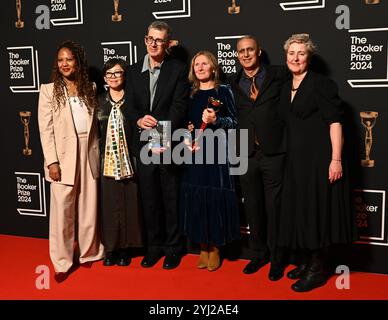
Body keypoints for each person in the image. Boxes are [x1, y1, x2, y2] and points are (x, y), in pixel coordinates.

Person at [277, 33, 355, 292]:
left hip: (319, 160)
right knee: (301, 211)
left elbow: (335, 122)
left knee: (317, 212)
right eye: (291, 53)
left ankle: (317, 269)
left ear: (309, 57)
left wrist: (336, 159)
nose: (295, 58)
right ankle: (306, 260)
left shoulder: (321, 84)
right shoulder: (285, 84)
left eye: (301, 53)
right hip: (295, 161)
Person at [38, 40, 104, 282]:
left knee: (89, 207)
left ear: (78, 62)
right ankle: (61, 261)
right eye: (60, 60)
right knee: (62, 212)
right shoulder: (48, 90)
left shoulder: (91, 87)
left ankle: (89, 252)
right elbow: (45, 130)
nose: (65, 63)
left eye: (69, 59)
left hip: (89, 151)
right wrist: (51, 161)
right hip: (63, 154)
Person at [126, 21, 189, 269]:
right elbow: (130, 106)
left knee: (170, 197)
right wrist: (140, 119)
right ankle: (154, 247)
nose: (153, 43)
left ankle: (173, 248)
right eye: (150, 38)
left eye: (159, 40)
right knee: (149, 198)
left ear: (167, 44)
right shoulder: (132, 71)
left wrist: (161, 133)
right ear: (145, 40)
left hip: (168, 143)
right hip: (143, 143)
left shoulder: (178, 69)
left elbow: (179, 107)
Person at [227, 36, 288, 280]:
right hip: (245, 152)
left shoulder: (279, 75)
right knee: (252, 207)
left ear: (259, 51)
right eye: (241, 51)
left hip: (273, 151)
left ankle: (277, 258)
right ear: (237, 55)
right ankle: (257, 254)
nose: (246, 54)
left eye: (250, 49)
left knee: (274, 208)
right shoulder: (231, 82)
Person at [180, 51, 240, 271]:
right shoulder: (191, 92)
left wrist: (216, 119)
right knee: (197, 197)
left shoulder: (223, 91)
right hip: (194, 152)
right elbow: (187, 122)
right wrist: (187, 138)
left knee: (213, 198)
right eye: (197, 64)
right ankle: (202, 246)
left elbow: (234, 122)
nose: (200, 68)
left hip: (217, 152)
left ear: (214, 67)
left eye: (205, 64)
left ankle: (214, 248)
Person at [97, 58, 143, 267]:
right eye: (109, 74)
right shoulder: (98, 101)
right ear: (105, 78)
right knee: (109, 205)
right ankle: (110, 248)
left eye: (118, 73)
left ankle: (126, 248)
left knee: (129, 203)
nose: (114, 77)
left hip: (130, 160)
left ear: (124, 75)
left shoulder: (134, 100)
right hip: (106, 162)